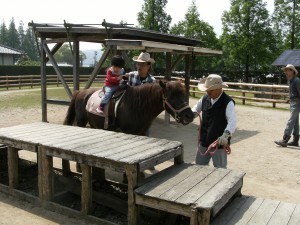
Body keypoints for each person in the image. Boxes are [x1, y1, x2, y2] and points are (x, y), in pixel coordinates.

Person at [192, 74, 236, 169]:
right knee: (199, 167)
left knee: (220, 169)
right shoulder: (204, 99)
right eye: (207, 90)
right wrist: (190, 115)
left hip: (219, 144)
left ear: (218, 88)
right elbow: (195, 110)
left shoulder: (228, 102)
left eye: (210, 90)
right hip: (204, 141)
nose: (207, 92)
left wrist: (226, 135)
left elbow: (232, 122)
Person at [275, 64, 300, 147]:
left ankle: (285, 139)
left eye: (287, 70)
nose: (285, 72)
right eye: (285, 70)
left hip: (297, 102)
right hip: (293, 102)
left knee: (291, 121)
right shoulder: (290, 80)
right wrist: (290, 99)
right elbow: (293, 92)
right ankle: (295, 141)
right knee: (295, 122)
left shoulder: (296, 80)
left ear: (292, 71)